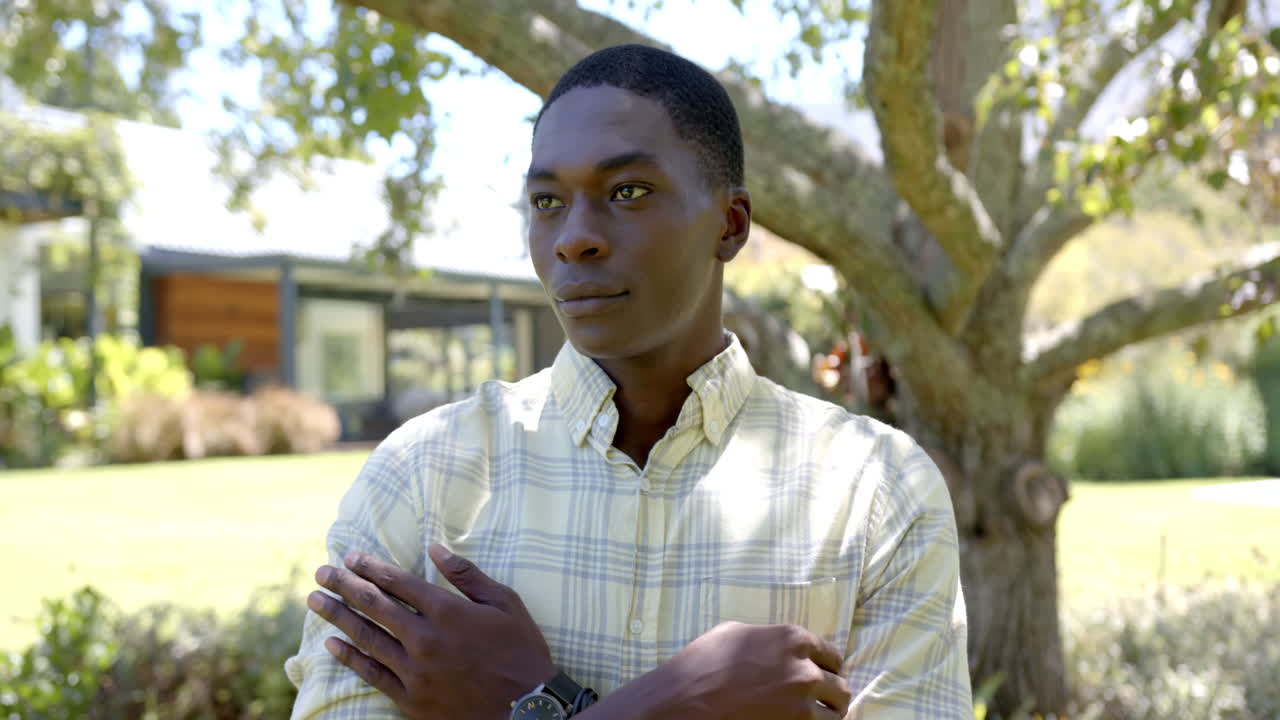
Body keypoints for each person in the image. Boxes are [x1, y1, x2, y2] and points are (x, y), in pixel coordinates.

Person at [285, 44, 971, 719]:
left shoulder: (876, 492)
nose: (573, 238)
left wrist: (526, 708)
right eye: (547, 201)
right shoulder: (421, 476)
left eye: (628, 192)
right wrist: (678, 699)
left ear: (729, 227)